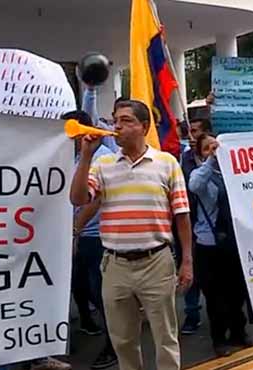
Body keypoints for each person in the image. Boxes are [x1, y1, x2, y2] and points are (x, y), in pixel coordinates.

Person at [69, 100, 193, 370]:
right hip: (115, 266)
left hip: (157, 263)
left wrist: (187, 262)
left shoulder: (166, 163)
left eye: (126, 120)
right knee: (123, 340)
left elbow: (182, 215)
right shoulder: (102, 164)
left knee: (165, 338)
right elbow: (77, 197)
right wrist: (87, 155)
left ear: (144, 127)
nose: (117, 126)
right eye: (115, 120)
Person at [188, 132, 253, 357]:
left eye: (216, 147)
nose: (213, 151)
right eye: (206, 148)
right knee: (215, 297)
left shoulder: (238, 173)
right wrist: (212, 160)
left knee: (237, 293)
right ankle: (219, 339)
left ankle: (239, 331)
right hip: (210, 245)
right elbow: (194, 185)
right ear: (200, 154)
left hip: (236, 244)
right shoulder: (203, 175)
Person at [63, 110, 118, 369]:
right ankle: (87, 322)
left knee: (101, 293)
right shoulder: (73, 157)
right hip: (76, 234)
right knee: (78, 286)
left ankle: (114, 343)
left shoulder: (103, 158)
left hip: (95, 237)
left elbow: (93, 200)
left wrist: (75, 229)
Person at [179, 117, 211, 335]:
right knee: (189, 271)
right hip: (187, 222)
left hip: (211, 228)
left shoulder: (219, 158)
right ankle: (192, 314)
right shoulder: (184, 158)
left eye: (196, 131)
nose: (191, 136)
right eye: (189, 131)